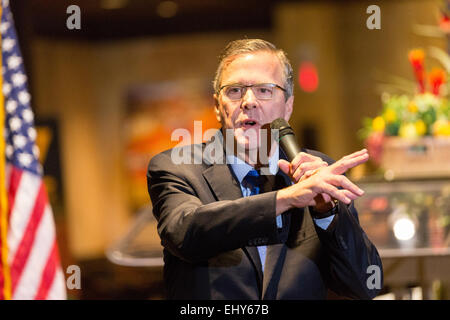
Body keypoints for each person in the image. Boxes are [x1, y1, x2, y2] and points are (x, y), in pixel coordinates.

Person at [147, 39, 383, 300]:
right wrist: (286, 199)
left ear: (288, 106)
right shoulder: (176, 166)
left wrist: (326, 213)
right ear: (217, 106)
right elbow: (184, 232)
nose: (248, 101)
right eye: (234, 90)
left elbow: (365, 285)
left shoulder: (319, 173)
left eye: (265, 90)